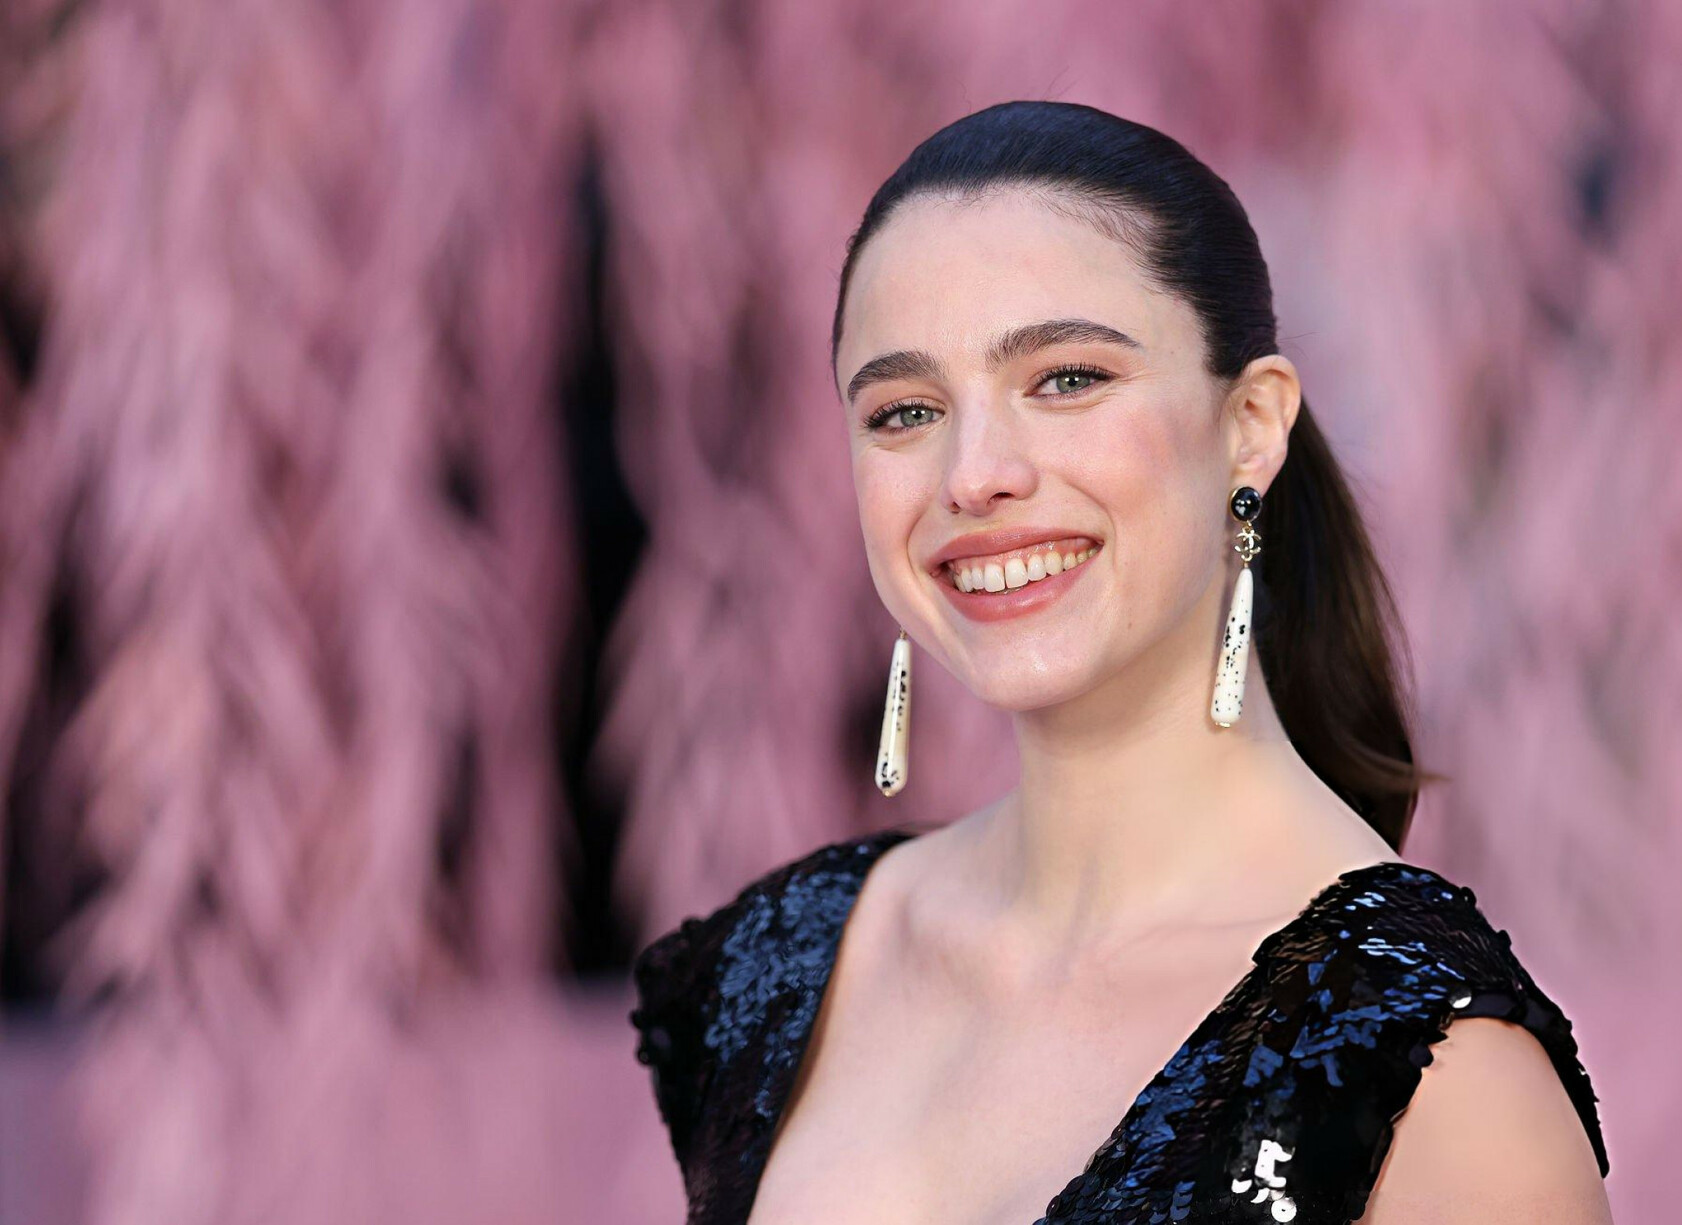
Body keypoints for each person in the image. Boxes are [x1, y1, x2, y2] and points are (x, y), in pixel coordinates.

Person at [630, 100, 1612, 1225]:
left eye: (1066, 379)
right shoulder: (778, 964)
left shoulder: (1437, 1066)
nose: (974, 474)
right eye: (903, 410)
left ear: (1251, 424)